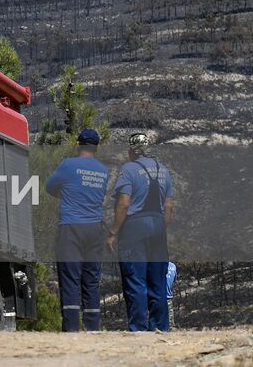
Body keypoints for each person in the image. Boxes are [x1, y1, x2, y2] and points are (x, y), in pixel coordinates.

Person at [106, 132, 175, 331]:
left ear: (131, 151)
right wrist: (162, 228)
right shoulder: (164, 170)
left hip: (135, 227)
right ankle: (160, 328)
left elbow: (124, 203)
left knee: (136, 280)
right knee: (158, 281)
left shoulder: (129, 169)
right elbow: (169, 206)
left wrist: (113, 232)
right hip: (158, 225)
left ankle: (138, 329)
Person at [45, 127, 109, 331]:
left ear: (78, 144)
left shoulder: (68, 166)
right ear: (96, 148)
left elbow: (49, 187)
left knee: (70, 277)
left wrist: (66, 195)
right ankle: (92, 328)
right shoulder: (103, 171)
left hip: (71, 227)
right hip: (95, 229)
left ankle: (71, 328)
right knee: (91, 280)